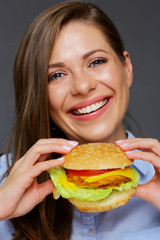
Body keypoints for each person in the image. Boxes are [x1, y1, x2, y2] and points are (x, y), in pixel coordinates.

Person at [0, 1, 160, 239]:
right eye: (56, 75)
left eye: (96, 62)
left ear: (126, 68)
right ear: (39, 94)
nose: (83, 87)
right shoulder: (4, 178)